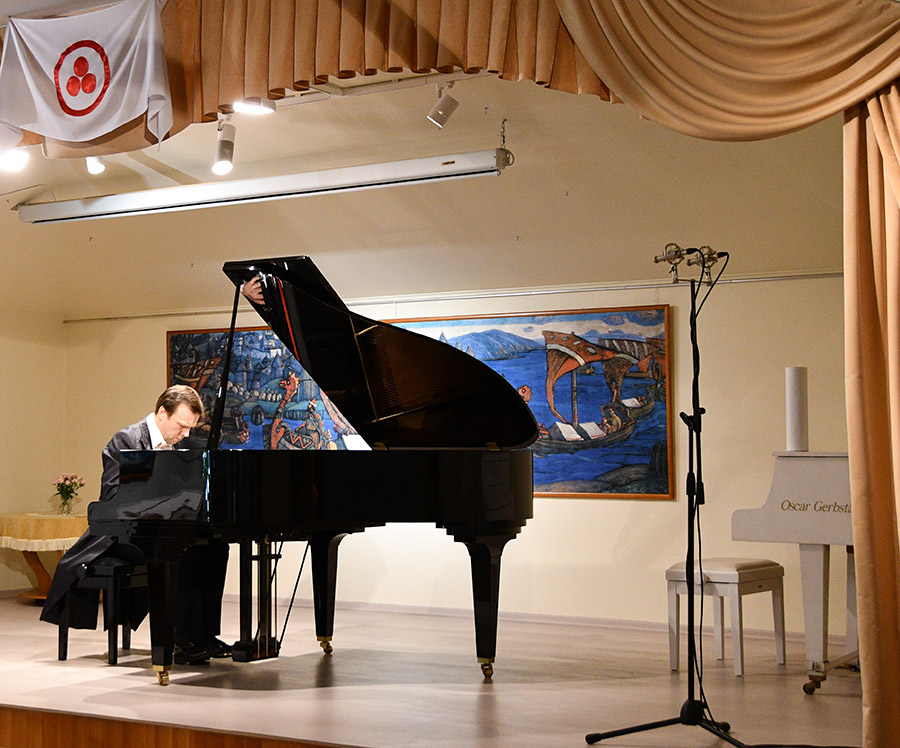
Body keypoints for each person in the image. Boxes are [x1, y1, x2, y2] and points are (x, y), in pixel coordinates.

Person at [42, 385, 231, 665]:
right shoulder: (127, 440)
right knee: (185, 553)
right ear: (162, 413)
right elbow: (112, 497)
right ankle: (182, 640)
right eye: (182, 426)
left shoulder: (180, 445)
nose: (185, 434)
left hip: (159, 531)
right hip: (121, 536)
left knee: (216, 547)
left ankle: (204, 635)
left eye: (190, 428)